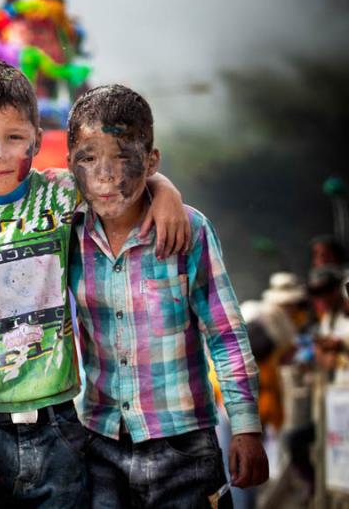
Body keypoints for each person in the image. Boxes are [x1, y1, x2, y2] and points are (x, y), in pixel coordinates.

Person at [0, 61, 189, 507]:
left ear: (37, 137)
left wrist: (166, 191)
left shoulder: (62, 192)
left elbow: (118, 175)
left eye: (14, 138)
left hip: (58, 421)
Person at [66, 84, 268, 507]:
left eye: (124, 158)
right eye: (88, 159)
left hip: (184, 445)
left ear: (151, 160)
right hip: (99, 442)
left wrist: (246, 426)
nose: (105, 175)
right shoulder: (65, 233)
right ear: (70, 164)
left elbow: (225, 334)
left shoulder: (188, 231)